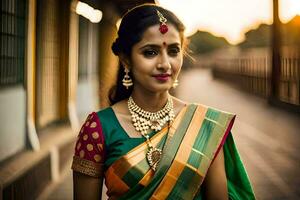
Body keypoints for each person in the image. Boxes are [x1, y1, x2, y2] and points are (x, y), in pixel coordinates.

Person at [71, 3, 256, 200]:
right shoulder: (98, 128)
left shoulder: (206, 126)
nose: (165, 64)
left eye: (174, 51)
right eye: (150, 52)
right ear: (126, 59)